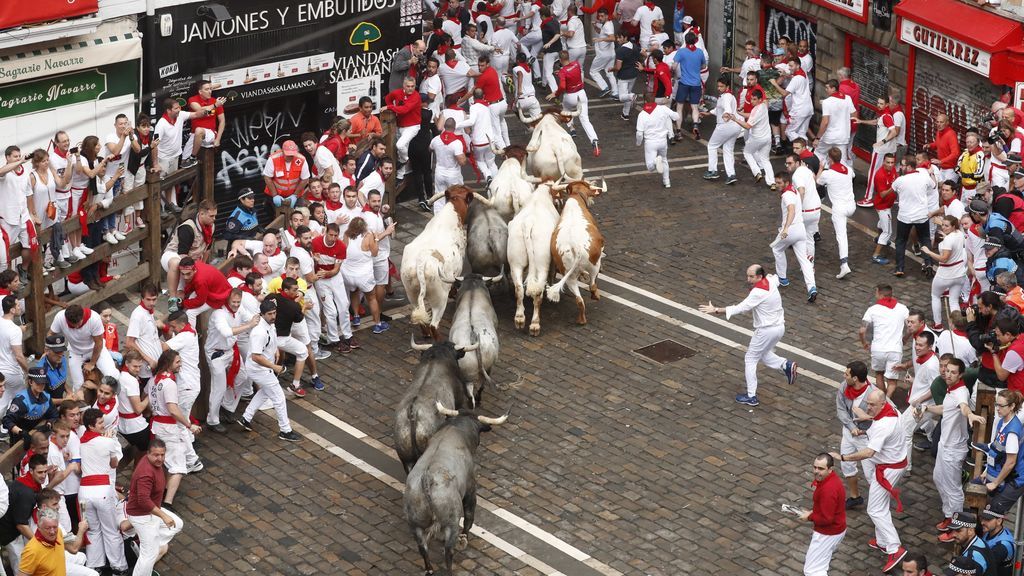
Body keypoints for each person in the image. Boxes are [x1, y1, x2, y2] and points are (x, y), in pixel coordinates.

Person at [829, 388, 908, 573]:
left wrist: (844, 457)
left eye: (872, 405)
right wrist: (866, 416)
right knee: (879, 505)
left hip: (887, 469)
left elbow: (868, 452)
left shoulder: (884, 426)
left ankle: (895, 548)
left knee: (875, 509)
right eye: (868, 404)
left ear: (882, 404)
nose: (869, 407)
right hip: (890, 462)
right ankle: (882, 541)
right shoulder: (891, 410)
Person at [699, 264, 798, 407]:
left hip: (766, 330)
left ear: (759, 277)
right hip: (779, 328)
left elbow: (741, 308)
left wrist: (715, 310)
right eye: (748, 276)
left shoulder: (757, 292)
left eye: (751, 277)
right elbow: (775, 278)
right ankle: (785, 365)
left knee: (751, 358)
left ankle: (751, 396)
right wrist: (770, 276)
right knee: (762, 353)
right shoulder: (770, 282)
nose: (748, 279)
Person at [918, 359, 983, 540]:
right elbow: (945, 409)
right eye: (947, 371)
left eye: (953, 372)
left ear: (960, 374)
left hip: (953, 449)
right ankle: (949, 515)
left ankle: (956, 527)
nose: (948, 374)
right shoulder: (951, 390)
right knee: (938, 479)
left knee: (953, 489)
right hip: (944, 445)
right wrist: (926, 407)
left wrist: (970, 414)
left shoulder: (960, 392)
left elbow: (962, 406)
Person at [238, 299, 301, 442]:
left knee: (265, 392)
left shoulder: (269, 324)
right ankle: (285, 430)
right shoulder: (259, 332)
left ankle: (246, 418)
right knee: (279, 398)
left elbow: (272, 337)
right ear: (262, 314)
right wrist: (274, 367)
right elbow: (255, 356)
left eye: (274, 313)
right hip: (259, 369)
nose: (273, 316)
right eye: (270, 314)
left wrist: (276, 350)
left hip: (263, 367)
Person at [78, 407, 127, 574]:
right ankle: (118, 567)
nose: (102, 425)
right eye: (99, 423)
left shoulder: (81, 442)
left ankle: (94, 565)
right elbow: (114, 464)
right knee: (111, 529)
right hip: (102, 491)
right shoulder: (108, 442)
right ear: (91, 426)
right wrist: (110, 442)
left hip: (84, 492)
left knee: (92, 530)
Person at [127, 439, 184, 576]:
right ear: (148, 454)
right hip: (141, 515)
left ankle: (146, 546)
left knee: (177, 524)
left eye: (162, 455)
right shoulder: (146, 473)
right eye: (156, 455)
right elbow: (143, 501)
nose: (160, 458)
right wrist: (163, 515)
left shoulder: (152, 464)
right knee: (149, 555)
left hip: (151, 511)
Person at [206, 289, 258, 433]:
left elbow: (252, 318)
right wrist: (249, 325)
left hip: (230, 350)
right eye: (233, 302)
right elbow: (227, 332)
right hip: (216, 353)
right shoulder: (219, 314)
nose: (236, 305)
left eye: (238, 302)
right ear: (227, 300)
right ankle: (212, 420)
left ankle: (227, 407)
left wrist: (260, 318)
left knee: (243, 376)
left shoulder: (240, 309)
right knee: (219, 387)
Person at [973, 389, 1024, 517]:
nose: (997, 409)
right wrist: (986, 471)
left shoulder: (1012, 431)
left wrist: (995, 483)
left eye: (1001, 406)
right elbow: (996, 449)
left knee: (992, 514)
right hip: (999, 473)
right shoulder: (1002, 421)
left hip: (1014, 480)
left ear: (1012, 406)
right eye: (996, 404)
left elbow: (1011, 462)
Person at [161, 199, 217, 308]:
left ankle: (184, 295)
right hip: (173, 256)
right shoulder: (188, 227)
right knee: (177, 264)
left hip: (192, 260)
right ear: (201, 214)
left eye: (215, 215)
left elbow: (207, 249)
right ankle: (172, 298)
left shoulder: (212, 226)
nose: (214, 219)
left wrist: (202, 268)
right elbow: (183, 256)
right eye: (211, 216)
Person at [47, 305, 117, 392]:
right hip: (76, 352)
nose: (76, 327)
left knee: (112, 375)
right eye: (73, 325)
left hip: (95, 349)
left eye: (78, 324)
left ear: (82, 316)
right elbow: (50, 334)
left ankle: (113, 400)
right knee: (78, 385)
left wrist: (92, 363)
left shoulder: (94, 318)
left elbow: (99, 343)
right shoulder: (60, 317)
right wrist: (47, 350)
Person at [771, 172, 817, 300]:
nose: (777, 185)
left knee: (777, 249)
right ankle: (811, 287)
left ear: (786, 183)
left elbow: (791, 210)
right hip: (801, 229)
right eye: (776, 182)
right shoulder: (794, 190)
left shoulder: (787, 195)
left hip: (791, 229)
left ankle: (782, 278)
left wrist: (786, 228)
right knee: (804, 260)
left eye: (780, 183)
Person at [798, 453, 845, 576]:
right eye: (815, 467)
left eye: (821, 469)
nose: (816, 471)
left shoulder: (828, 490)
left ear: (830, 469)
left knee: (812, 570)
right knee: (820, 567)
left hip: (827, 533)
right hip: (836, 529)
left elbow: (826, 519)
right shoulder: (831, 480)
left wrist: (809, 516)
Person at [860, 284, 909, 397]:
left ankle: (881, 399)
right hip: (895, 350)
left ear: (880, 294)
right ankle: (888, 401)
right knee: (892, 381)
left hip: (878, 349)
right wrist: (905, 339)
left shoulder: (872, 310)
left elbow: (862, 330)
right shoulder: (903, 308)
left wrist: (864, 343)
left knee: (879, 374)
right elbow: (910, 327)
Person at [341, 218, 389, 334]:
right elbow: (375, 252)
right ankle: (377, 324)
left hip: (347, 273)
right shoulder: (368, 236)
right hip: (363, 275)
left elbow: (343, 249)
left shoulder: (346, 234)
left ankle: (356, 317)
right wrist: (376, 239)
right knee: (371, 298)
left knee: (354, 292)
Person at [548, 51, 600, 156]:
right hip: (581, 94)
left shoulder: (563, 71)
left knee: (566, 110)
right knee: (585, 119)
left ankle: (571, 128)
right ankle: (594, 140)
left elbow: (562, 86)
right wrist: (561, 73)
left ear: (560, 59)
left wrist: (555, 93)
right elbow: (572, 72)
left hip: (570, 96)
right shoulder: (576, 64)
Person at [835, 361, 872, 510]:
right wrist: (851, 427)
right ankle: (855, 496)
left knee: (871, 472)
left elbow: (880, 418)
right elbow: (841, 408)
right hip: (849, 434)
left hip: (865, 439)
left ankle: (879, 501)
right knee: (846, 464)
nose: (844, 376)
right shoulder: (844, 386)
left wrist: (863, 430)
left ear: (855, 378)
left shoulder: (872, 395)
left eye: (847, 374)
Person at [18, 507, 95, 576]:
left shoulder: (58, 532)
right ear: (38, 526)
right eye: (47, 528)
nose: (52, 532)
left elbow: (73, 549)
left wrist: (81, 530)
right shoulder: (32, 550)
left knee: (82, 557)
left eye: (55, 527)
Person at [892, 156, 936, 277]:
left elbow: (893, 189)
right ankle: (928, 263)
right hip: (921, 215)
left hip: (905, 216)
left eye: (903, 165)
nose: (901, 167)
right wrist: (931, 174)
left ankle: (899, 267)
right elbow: (934, 186)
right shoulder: (924, 177)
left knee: (901, 241)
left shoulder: (900, 180)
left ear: (909, 166)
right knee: (925, 239)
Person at [903, 332, 940, 472]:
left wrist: (919, 400)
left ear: (930, 347)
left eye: (920, 345)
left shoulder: (931, 365)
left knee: (905, 431)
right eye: (916, 344)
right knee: (924, 422)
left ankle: (906, 467)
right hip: (920, 403)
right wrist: (914, 381)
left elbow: (934, 388)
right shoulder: (926, 360)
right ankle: (931, 437)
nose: (917, 348)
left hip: (923, 406)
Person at [1, 454, 47, 569]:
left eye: (45, 472)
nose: (44, 476)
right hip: (8, 532)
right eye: (40, 472)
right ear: (31, 471)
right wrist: (38, 543)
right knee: (21, 566)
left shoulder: (26, 481)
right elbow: (21, 525)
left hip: (12, 526)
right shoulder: (26, 493)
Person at [816, 147, 856, 279]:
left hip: (839, 208)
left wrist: (821, 168)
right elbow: (852, 175)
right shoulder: (849, 170)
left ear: (830, 159)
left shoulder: (828, 174)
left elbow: (818, 181)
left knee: (841, 236)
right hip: (851, 206)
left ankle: (844, 265)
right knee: (842, 235)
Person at [920, 216, 967, 328]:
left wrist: (929, 252)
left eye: (946, 226)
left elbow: (944, 258)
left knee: (935, 296)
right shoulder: (960, 234)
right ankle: (957, 326)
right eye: (943, 225)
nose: (943, 227)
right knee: (954, 300)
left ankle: (938, 324)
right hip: (959, 274)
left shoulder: (948, 240)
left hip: (945, 274)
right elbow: (953, 238)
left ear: (953, 226)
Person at [856, 97, 900, 208]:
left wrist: (881, 142)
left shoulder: (885, 116)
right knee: (889, 172)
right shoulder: (885, 114)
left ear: (886, 105)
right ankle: (890, 196)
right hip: (890, 150)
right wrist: (861, 121)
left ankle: (868, 198)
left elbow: (894, 132)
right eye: (878, 103)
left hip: (881, 150)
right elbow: (877, 122)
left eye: (881, 103)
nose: (878, 105)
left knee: (872, 173)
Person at [703, 76, 741, 184]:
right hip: (735, 126)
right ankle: (731, 174)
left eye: (722, 86)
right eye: (718, 86)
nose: (719, 88)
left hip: (725, 125)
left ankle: (713, 170)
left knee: (712, 146)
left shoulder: (726, 97)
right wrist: (708, 113)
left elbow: (727, 108)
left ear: (727, 86)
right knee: (728, 149)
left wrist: (726, 114)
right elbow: (718, 109)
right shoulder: (728, 96)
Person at [732, 90, 774, 188]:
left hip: (757, 138)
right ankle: (772, 182)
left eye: (754, 99)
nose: (752, 101)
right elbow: (751, 115)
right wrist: (739, 113)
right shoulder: (764, 106)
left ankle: (757, 173)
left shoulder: (756, 109)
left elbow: (747, 125)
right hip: (767, 138)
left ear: (759, 100)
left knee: (747, 152)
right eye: (751, 99)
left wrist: (735, 119)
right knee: (765, 160)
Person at [636, 94, 679, 189]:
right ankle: (667, 182)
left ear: (645, 101)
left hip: (650, 143)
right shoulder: (662, 108)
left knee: (650, 167)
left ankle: (655, 162)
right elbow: (676, 116)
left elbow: (639, 133)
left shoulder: (642, 114)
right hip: (663, 141)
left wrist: (638, 143)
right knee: (664, 160)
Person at [384, 77, 424, 179]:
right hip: (399, 125)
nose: (410, 88)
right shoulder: (397, 93)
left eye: (412, 86)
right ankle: (400, 176)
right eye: (408, 86)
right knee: (400, 150)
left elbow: (404, 109)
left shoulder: (416, 96)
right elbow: (388, 98)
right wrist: (391, 108)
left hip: (412, 126)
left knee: (400, 145)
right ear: (403, 86)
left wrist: (390, 107)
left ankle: (405, 160)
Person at [429, 118, 469, 215]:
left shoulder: (436, 139)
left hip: (439, 173)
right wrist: (466, 158)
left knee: (439, 197)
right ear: (454, 128)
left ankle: (438, 218)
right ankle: (455, 217)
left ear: (444, 127)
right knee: (456, 197)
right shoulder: (456, 143)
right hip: (453, 174)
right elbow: (462, 162)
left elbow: (430, 149)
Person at [813, 80, 857, 168]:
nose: (826, 89)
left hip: (829, 136)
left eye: (827, 88)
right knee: (842, 160)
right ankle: (847, 175)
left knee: (818, 152)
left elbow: (825, 122)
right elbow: (854, 114)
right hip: (843, 136)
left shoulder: (827, 102)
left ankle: (825, 169)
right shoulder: (847, 98)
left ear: (833, 88)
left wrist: (817, 138)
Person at [177, 256, 232, 326]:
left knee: (190, 313)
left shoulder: (200, 281)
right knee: (188, 301)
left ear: (194, 270)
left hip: (219, 296)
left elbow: (200, 301)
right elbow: (192, 284)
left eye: (188, 274)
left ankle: (191, 335)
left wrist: (183, 304)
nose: (185, 277)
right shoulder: (195, 264)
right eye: (183, 274)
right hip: (212, 290)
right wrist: (184, 294)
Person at [672, 32, 706, 141]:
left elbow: (674, 67)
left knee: (679, 107)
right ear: (695, 41)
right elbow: (704, 66)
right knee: (694, 106)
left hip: (684, 83)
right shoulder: (700, 52)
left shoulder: (681, 52)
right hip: (696, 83)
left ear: (685, 41)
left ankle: (678, 131)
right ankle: (695, 124)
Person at [770, 58, 812, 146]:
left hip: (799, 110)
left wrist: (775, 84)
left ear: (798, 66)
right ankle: (807, 153)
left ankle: (807, 148)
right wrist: (786, 74)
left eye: (791, 66)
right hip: (808, 109)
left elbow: (784, 93)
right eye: (789, 65)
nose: (789, 68)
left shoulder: (796, 79)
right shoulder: (803, 74)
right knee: (801, 133)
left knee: (789, 131)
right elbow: (792, 75)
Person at [183, 81, 226, 166]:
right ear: (200, 92)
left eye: (210, 89)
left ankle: (193, 157)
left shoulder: (216, 102)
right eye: (207, 89)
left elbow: (222, 121)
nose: (210, 91)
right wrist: (215, 106)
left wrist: (218, 139)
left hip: (210, 133)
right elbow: (200, 111)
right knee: (184, 162)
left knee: (199, 130)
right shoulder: (193, 100)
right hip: (195, 134)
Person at [263, 140, 309, 210]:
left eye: (292, 155)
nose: (290, 157)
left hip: (295, 195)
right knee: (279, 218)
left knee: (300, 214)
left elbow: (305, 179)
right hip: (276, 195)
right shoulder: (273, 159)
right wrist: (275, 195)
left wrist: (295, 195)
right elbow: (267, 177)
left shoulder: (301, 160)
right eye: (288, 155)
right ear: (282, 151)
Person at [871, 153, 898, 265]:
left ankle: (878, 238)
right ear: (883, 162)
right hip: (883, 206)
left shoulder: (893, 171)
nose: (890, 165)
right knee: (887, 232)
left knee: (882, 223)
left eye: (892, 162)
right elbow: (882, 194)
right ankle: (876, 255)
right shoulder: (880, 175)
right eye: (888, 162)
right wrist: (894, 186)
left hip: (887, 205)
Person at [612, 29, 640, 121]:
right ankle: (625, 114)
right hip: (634, 74)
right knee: (627, 94)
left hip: (623, 76)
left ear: (625, 38)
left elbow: (618, 67)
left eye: (619, 38)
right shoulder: (635, 46)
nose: (618, 40)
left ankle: (633, 96)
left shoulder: (620, 50)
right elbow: (643, 53)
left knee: (622, 97)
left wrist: (612, 69)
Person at [590, 9, 617, 99]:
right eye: (599, 16)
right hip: (611, 53)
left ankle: (604, 88)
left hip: (604, 54)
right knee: (609, 73)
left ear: (606, 16)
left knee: (593, 71)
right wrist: (594, 26)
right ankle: (615, 93)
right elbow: (601, 32)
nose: (600, 18)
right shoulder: (607, 24)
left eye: (602, 16)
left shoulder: (607, 26)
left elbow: (612, 38)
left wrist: (600, 40)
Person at [979, 507, 1015, 576]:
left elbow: (985, 567)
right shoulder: (991, 531)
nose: (982, 522)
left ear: (999, 521)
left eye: (987, 520)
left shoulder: (1002, 546)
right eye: (982, 518)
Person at [926, 114, 962, 182]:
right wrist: (930, 145)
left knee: (947, 190)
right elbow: (939, 144)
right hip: (942, 168)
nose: (939, 124)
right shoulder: (939, 132)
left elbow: (955, 153)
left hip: (951, 170)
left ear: (947, 123)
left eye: (941, 122)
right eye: (937, 122)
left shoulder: (951, 134)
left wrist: (941, 161)